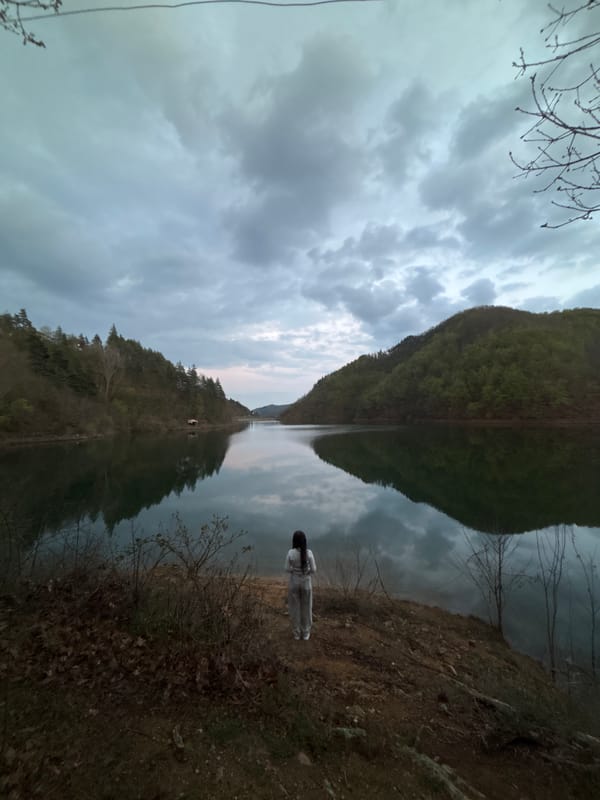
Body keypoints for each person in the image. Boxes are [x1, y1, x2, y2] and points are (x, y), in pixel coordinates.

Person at [285, 530, 317, 641]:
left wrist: (294, 570)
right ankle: (306, 633)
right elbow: (313, 569)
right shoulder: (309, 553)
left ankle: (296, 633)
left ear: (294, 541)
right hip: (306, 584)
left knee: (295, 608)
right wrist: (306, 571)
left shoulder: (290, 553)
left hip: (294, 583)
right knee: (307, 608)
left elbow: (287, 569)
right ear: (304, 541)